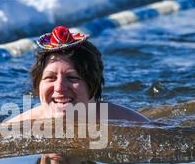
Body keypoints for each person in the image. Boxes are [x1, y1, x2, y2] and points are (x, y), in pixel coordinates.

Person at [8, 26, 149, 123]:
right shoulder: (17, 127)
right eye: (50, 78)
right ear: (38, 85)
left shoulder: (126, 122)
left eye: (72, 78)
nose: (59, 87)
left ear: (92, 83)